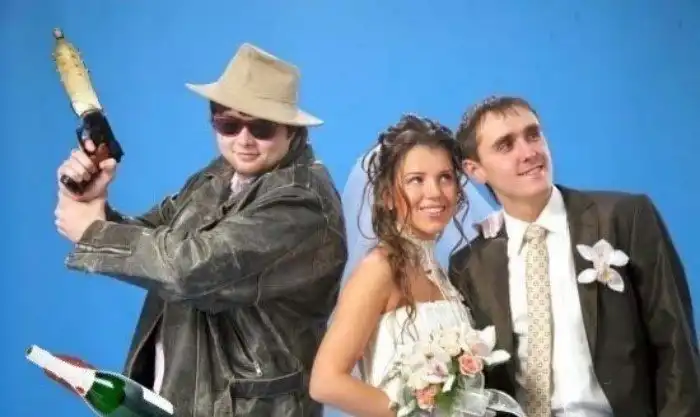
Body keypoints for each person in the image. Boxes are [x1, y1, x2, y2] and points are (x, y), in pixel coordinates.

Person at [53, 42, 348, 417]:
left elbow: (191, 268)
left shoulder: (301, 202)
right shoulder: (220, 175)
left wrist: (94, 233)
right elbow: (156, 238)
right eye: (229, 124)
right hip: (180, 396)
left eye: (261, 127)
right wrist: (96, 206)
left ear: (291, 131)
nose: (243, 140)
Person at [449, 95, 700, 417]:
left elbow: (676, 344)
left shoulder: (625, 217)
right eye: (505, 145)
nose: (529, 152)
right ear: (475, 170)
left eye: (533, 135)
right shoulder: (470, 265)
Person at [309, 114, 510, 417]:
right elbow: (325, 382)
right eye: (416, 179)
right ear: (387, 196)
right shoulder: (380, 269)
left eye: (445, 177)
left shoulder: (441, 273)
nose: (435, 192)